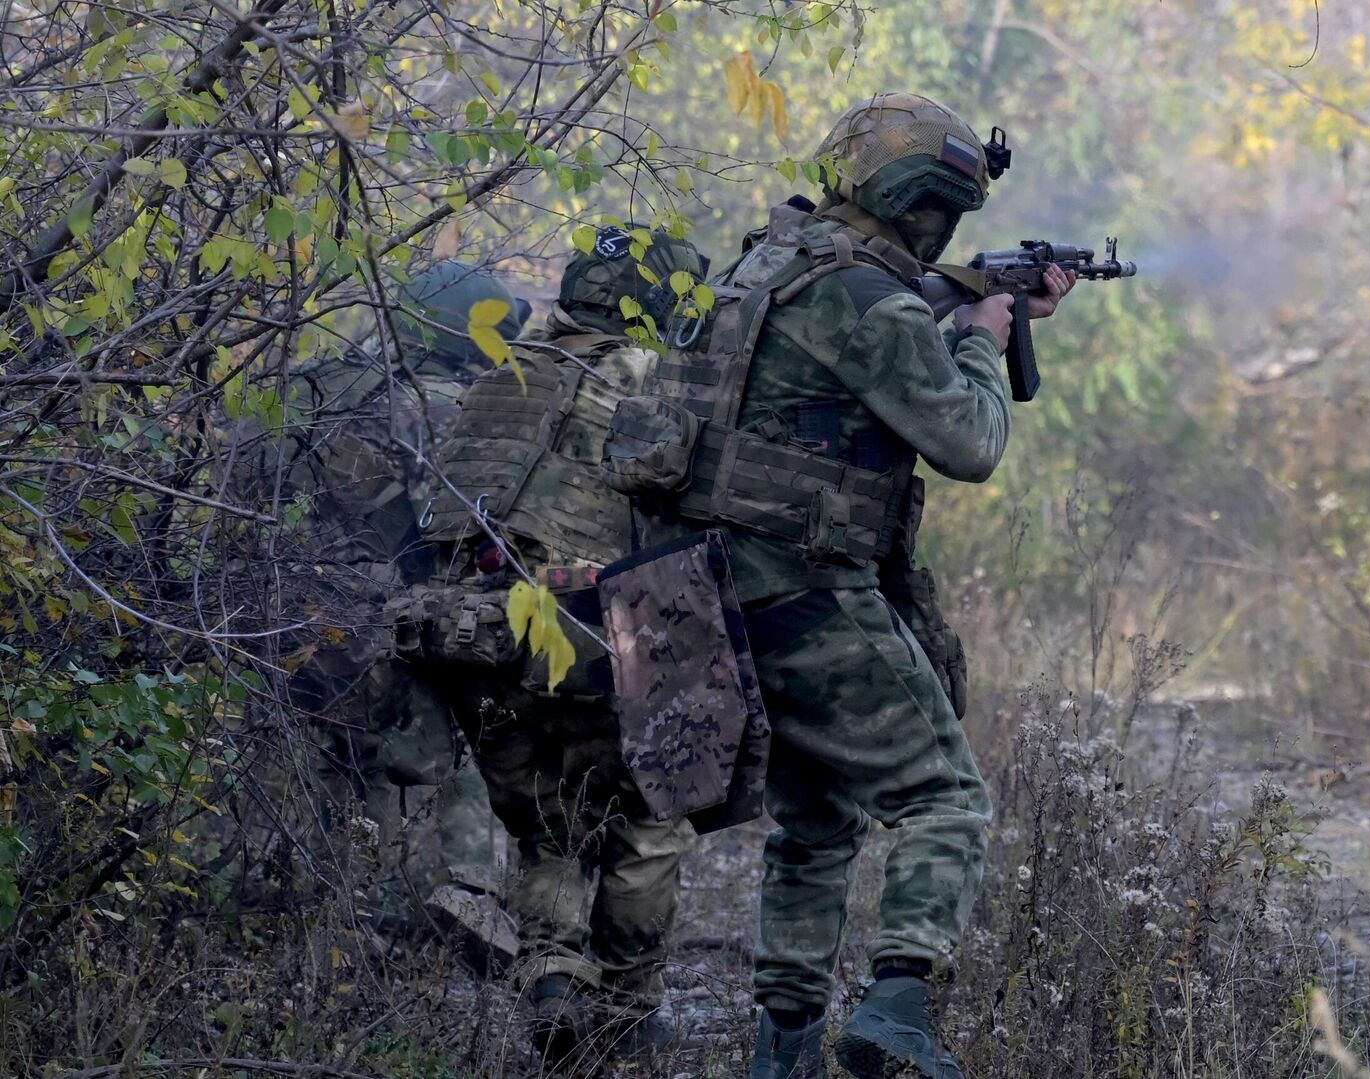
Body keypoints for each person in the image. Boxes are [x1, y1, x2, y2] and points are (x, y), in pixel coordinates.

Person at [605, 93, 1073, 1079]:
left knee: (817, 822)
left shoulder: (761, 264)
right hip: (796, 585)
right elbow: (969, 443)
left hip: (686, 590)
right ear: (921, 202)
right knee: (945, 797)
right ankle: (897, 1005)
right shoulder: (871, 299)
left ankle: (784, 1052)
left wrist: (957, 301)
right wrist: (984, 335)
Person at [395, 228, 708, 1064]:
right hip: (589, 634)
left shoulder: (500, 377)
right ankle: (628, 1011)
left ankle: (554, 983)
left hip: (472, 641)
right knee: (648, 822)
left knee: (551, 830)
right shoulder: (653, 381)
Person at [286, 260, 529, 962]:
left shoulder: (330, 382)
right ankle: (452, 897)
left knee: (335, 767)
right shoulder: (445, 407)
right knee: (457, 736)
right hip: (375, 621)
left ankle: (338, 921)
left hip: (282, 613)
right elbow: (459, 538)